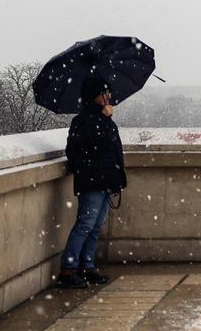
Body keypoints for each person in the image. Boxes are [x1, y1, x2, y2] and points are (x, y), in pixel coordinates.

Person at [56, 78, 127, 288]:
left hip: (104, 181)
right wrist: (104, 121)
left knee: (95, 226)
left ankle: (86, 266)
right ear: (94, 95)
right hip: (93, 182)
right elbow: (78, 151)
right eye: (105, 93)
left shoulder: (102, 119)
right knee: (85, 225)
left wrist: (106, 120)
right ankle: (68, 270)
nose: (109, 97)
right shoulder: (84, 121)